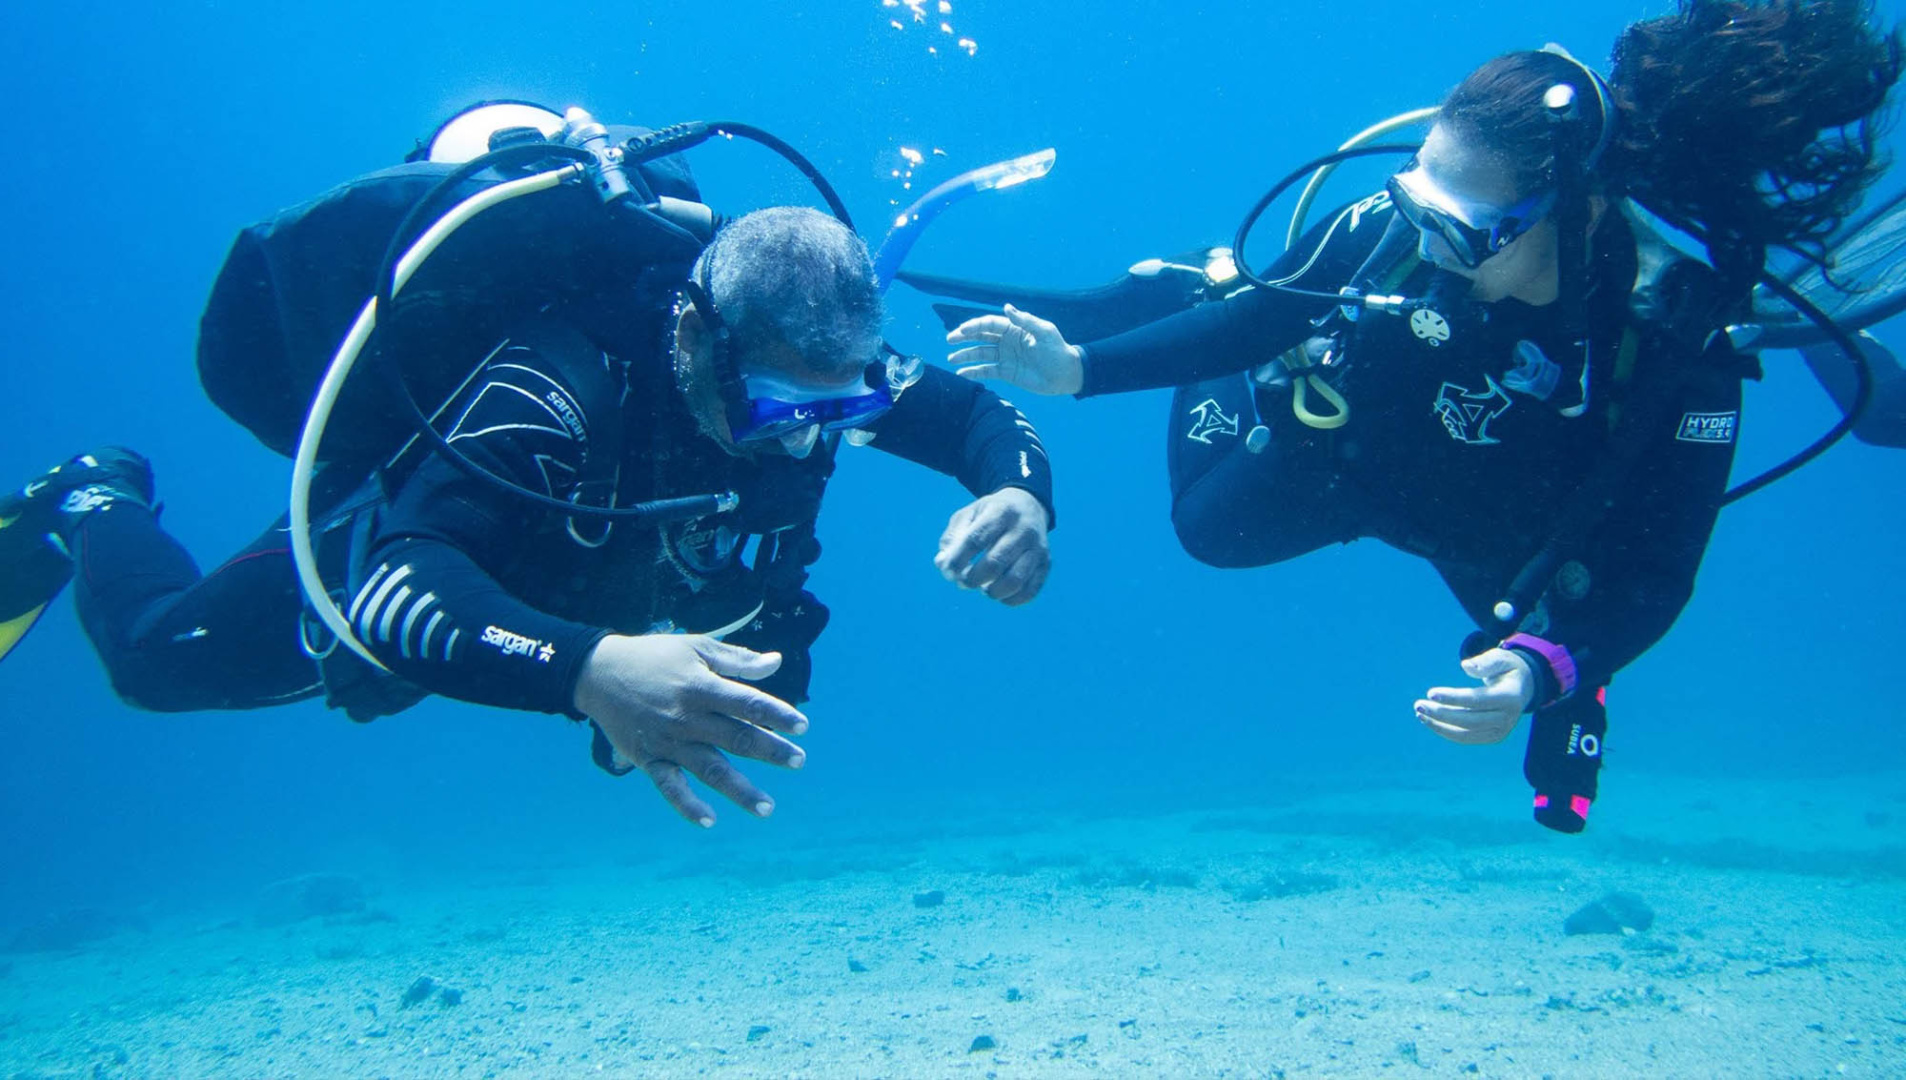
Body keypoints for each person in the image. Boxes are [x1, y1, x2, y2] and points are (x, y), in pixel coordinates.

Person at [940, 0, 1900, 832]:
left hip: (1500, 524)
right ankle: (1201, 272)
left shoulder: (1677, 345)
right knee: (1209, 531)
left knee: (1538, 640)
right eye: (1413, 199)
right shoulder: (1385, 231)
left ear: (1572, 209)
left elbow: (1659, 571)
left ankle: (1555, 660)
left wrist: (1543, 668)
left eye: (1458, 228)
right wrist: (1079, 369)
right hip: (1348, 451)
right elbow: (1258, 322)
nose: (1420, 239)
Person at [0, 109, 1055, 828]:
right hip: (439, 541)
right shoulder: (556, 375)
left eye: (849, 407)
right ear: (698, 340)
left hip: (599, 582)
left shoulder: (822, 357)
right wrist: (587, 671)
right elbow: (403, 582)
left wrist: (1017, 495)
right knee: (156, 661)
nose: (802, 436)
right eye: (779, 407)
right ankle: (94, 495)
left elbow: (976, 417)